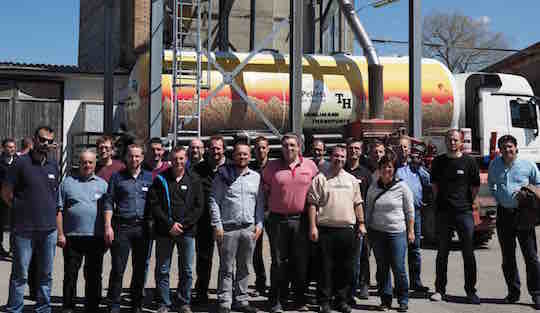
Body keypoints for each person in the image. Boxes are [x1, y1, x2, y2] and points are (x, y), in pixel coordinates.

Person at [2, 126, 59, 313]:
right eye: (43, 140)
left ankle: (43, 308)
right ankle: (14, 309)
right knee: (20, 274)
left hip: (49, 230)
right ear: (35, 139)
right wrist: (20, 210)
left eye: (50, 141)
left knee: (46, 274)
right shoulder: (19, 163)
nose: (46, 144)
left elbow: (53, 195)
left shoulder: (54, 165)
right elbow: (5, 193)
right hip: (24, 229)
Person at [263, 133, 318, 313]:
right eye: (286, 145)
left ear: (299, 146)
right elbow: (263, 193)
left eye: (293, 145)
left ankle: (299, 300)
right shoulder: (272, 167)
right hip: (278, 220)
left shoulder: (310, 166)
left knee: (300, 261)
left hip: (301, 220)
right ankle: (276, 300)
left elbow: (317, 192)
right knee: (278, 262)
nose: (289, 148)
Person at [307, 144, 365, 313]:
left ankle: (341, 300)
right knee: (325, 268)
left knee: (345, 268)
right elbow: (312, 204)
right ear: (330, 157)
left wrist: (361, 223)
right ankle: (324, 302)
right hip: (325, 230)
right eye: (336, 156)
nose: (339, 159)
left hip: (347, 230)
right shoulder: (320, 178)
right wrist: (312, 226)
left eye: (342, 156)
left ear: (346, 159)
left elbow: (358, 203)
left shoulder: (351, 180)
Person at [147, 146, 204, 313]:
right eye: (174, 159)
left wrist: (184, 225)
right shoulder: (160, 179)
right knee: (163, 269)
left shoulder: (194, 180)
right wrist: (169, 224)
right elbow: (154, 205)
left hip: (187, 233)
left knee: (186, 269)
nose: (178, 162)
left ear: (186, 159)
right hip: (165, 232)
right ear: (169, 160)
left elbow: (198, 207)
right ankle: (164, 303)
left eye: (181, 159)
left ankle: (184, 302)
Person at [210, 141, 264, 313]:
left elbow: (260, 203)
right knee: (226, 267)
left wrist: (259, 223)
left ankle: (241, 300)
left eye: (245, 154)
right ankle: (225, 301)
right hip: (228, 229)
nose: (242, 157)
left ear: (250, 156)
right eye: (239, 154)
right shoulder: (223, 175)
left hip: (248, 229)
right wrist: (217, 225)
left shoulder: (256, 177)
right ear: (233, 156)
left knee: (245, 267)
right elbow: (214, 201)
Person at [488, 134, 540, 309]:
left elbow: (538, 184)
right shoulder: (495, 165)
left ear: (516, 148)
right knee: (508, 257)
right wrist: (500, 199)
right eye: (504, 147)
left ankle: (536, 294)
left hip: (524, 214)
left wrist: (529, 194)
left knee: (531, 257)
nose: (507, 150)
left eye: (510, 146)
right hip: (504, 215)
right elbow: (492, 185)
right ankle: (513, 292)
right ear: (500, 150)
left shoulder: (528, 165)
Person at [430, 129, 481, 304]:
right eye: (449, 140)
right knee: (442, 253)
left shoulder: (469, 162)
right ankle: (439, 290)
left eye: (455, 140)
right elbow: (435, 186)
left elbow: (475, 186)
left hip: (464, 213)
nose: (452, 143)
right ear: (445, 142)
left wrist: (467, 202)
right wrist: (441, 203)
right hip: (444, 213)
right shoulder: (438, 162)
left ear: (460, 142)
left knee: (468, 254)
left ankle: (471, 291)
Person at [56, 150, 108, 313]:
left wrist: (108, 231)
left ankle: (92, 306)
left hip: (96, 237)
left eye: (90, 162)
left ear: (95, 164)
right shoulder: (67, 183)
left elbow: (109, 210)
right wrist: (60, 233)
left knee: (94, 275)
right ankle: (68, 306)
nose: (87, 165)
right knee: (70, 274)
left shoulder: (103, 184)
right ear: (79, 162)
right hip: (72, 237)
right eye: (84, 162)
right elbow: (59, 210)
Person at [104, 144, 153, 313]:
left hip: (142, 229)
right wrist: (108, 225)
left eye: (137, 156)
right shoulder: (117, 177)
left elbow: (154, 204)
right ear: (126, 157)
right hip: (122, 227)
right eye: (131, 156)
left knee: (140, 269)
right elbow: (109, 201)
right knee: (118, 268)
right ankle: (114, 304)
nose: (134, 159)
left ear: (142, 157)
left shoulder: (149, 177)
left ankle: (136, 304)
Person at [365, 152, 415, 312]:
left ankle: (403, 299)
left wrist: (411, 231)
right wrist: (366, 230)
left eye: (390, 167)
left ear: (394, 169)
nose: (387, 169)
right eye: (384, 166)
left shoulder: (402, 186)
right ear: (379, 169)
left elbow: (410, 211)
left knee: (399, 267)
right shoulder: (373, 186)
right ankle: (385, 300)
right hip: (377, 232)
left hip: (397, 233)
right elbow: (368, 209)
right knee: (382, 268)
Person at [193, 135, 229, 305]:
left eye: (218, 148)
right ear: (208, 149)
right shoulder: (198, 169)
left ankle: (227, 295)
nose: (215, 151)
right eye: (213, 148)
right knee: (204, 260)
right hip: (204, 222)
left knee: (228, 261)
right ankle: (201, 293)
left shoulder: (231, 168)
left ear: (224, 149)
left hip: (227, 222)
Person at [395, 137, 430, 293]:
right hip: (397, 214)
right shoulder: (393, 167)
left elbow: (428, 182)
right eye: (400, 147)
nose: (403, 150)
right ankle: (400, 283)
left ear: (409, 150)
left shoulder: (415, 167)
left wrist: (420, 166)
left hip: (415, 214)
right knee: (399, 250)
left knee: (414, 249)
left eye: (405, 147)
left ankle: (416, 282)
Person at [345, 138, 372, 302]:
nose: (353, 151)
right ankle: (348, 285)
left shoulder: (366, 173)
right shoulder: (342, 170)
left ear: (361, 152)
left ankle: (364, 285)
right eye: (351, 148)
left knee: (363, 255)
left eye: (356, 148)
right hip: (344, 219)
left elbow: (370, 197)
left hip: (362, 220)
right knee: (347, 256)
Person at [249, 136, 270, 295]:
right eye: (258, 148)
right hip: (256, 213)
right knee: (256, 250)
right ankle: (260, 282)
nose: (261, 150)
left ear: (268, 149)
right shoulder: (250, 167)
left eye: (263, 147)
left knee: (278, 251)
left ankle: (279, 284)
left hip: (274, 212)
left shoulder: (275, 166)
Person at [0, 138, 17, 256]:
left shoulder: (19, 161)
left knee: (15, 224)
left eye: (13, 147)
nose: (11, 149)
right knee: (1, 223)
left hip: (16, 198)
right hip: (1, 198)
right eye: (9, 147)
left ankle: (13, 248)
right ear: (3, 148)